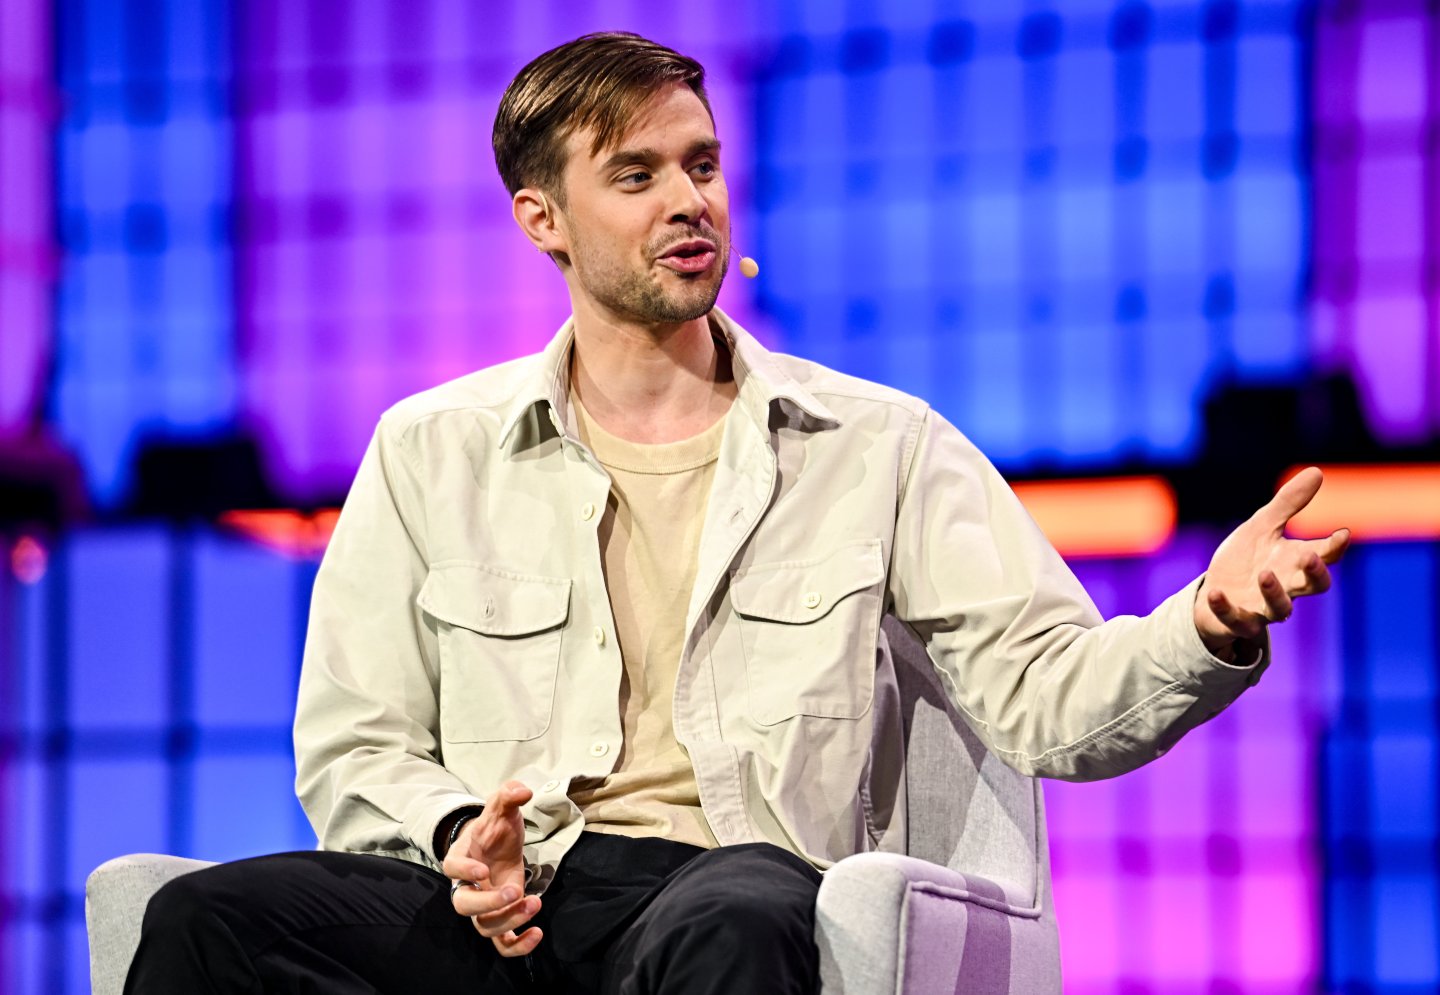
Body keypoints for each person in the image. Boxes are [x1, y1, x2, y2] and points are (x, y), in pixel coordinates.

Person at [125, 31, 1349, 995]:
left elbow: (1051, 697)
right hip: (503, 896)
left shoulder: (878, 443)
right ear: (542, 219)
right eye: (638, 175)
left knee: (744, 909)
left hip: (726, 881)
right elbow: (355, 743)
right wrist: (457, 833)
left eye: (702, 165)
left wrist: (1208, 621)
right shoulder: (429, 448)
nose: (690, 201)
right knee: (202, 920)